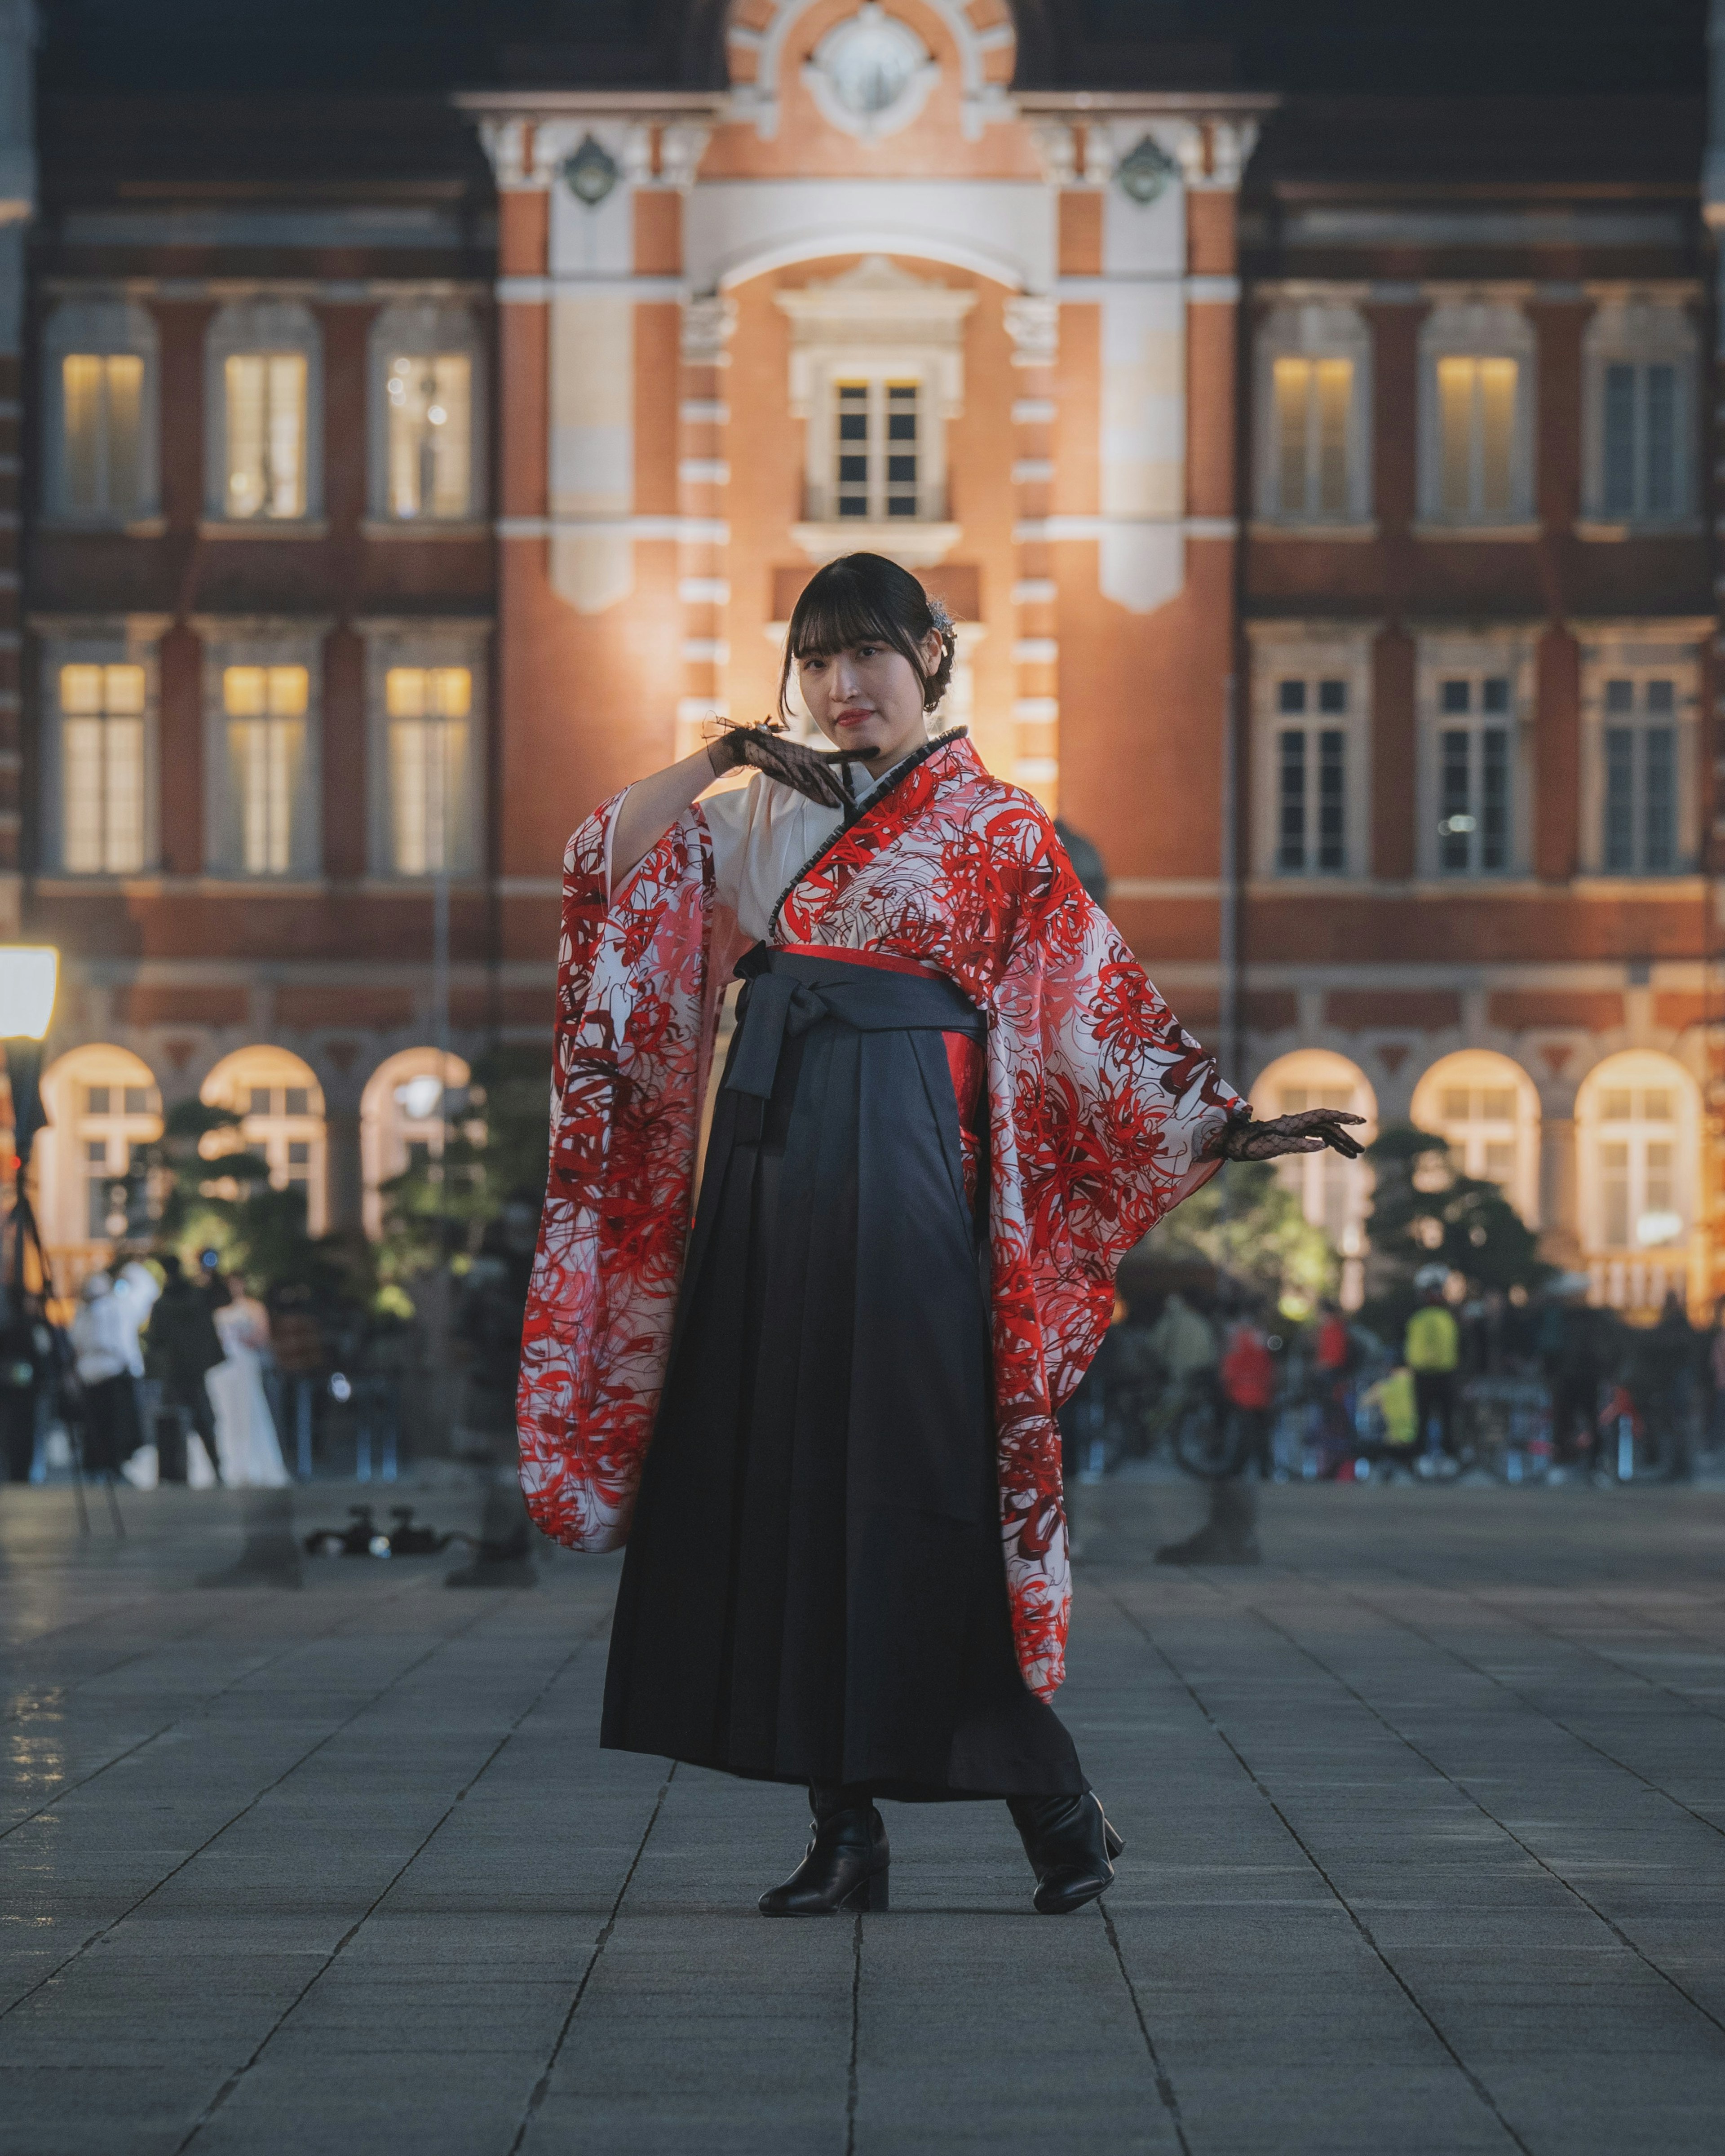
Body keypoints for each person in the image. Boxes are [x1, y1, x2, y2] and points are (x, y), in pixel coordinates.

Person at [517, 553, 1363, 1919]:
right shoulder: (752, 817)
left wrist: (1221, 1125)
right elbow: (600, 866)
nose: (842, 686)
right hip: (771, 1145)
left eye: (868, 656)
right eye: (815, 661)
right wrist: (721, 754)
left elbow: (1094, 1009)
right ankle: (844, 1833)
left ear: (931, 658)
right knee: (776, 1478)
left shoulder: (998, 828)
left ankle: (1052, 1800)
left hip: (913, 1151)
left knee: (918, 1480)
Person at [146, 1252, 227, 1484]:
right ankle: (215, 1468)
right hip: (192, 1370)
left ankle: (175, 1471)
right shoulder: (196, 1298)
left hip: (176, 1371)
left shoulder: (164, 1304)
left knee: (175, 1422)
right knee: (203, 1421)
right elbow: (222, 1299)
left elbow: (155, 1340)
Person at [206, 1275, 288, 1487]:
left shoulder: (254, 1308)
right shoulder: (215, 1309)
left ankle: (249, 1462)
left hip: (245, 1365)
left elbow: (263, 1337)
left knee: (248, 1410)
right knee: (223, 1412)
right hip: (222, 1370)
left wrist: (241, 1339)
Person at [69, 1269, 147, 1476]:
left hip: (102, 1374)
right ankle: (111, 1463)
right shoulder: (106, 1309)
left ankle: (104, 1464)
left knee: (102, 1426)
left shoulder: (93, 1311)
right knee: (112, 1426)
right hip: (108, 1373)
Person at [1405, 1272, 1461, 1464]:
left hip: (1428, 1375)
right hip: (1442, 1374)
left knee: (1427, 1417)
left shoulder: (1421, 1318)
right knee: (1441, 1417)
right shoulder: (1447, 1318)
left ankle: (1425, 1453)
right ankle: (1442, 1453)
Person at [1220, 1310, 1277, 1478]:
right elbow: (1268, 1365)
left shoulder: (1236, 1336)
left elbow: (1231, 1366)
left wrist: (1226, 1385)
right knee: (1260, 1434)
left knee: (1244, 1434)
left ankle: (1238, 1467)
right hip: (1260, 1394)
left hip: (1241, 1393)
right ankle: (1264, 1469)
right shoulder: (1261, 1337)